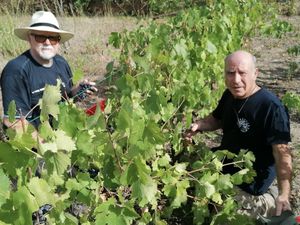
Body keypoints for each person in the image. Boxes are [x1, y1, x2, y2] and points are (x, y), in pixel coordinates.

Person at [185, 50, 292, 219]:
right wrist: (199, 125)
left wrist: (284, 194)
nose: (236, 80)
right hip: (226, 167)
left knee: (229, 216)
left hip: (252, 183)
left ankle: (269, 203)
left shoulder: (271, 108)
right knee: (189, 173)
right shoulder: (230, 95)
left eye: (242, 73)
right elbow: (216, 119)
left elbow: (282, 154)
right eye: (230, 73)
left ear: (255, 74)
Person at [1, 11, 97, 133]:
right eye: (40, 37)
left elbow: (66, 97)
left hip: (60, 134)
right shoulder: (16, 70)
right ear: (29, 38)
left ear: (58, 41)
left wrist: (77, 90)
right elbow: (13, 122)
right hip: (35, 145)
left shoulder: (61, 62)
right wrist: (47, 147)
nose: (47, 42)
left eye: (53, 38)